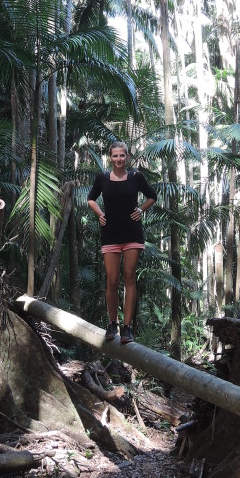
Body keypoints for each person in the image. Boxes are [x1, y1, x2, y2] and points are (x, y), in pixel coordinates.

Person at [87, 140, 157, 344]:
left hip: (132, 234)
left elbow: (152, 196)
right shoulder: (102, 178)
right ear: (110, 157)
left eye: (122, 155)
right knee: (112, 279)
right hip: (110, 233)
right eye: (115, 155)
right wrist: (100, 214)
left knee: (129, 276)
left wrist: (141, 210)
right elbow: (91, 198)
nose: (118, 159)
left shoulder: (136, 177)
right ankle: (112, 323)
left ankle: (127, 328)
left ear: (127, 157)